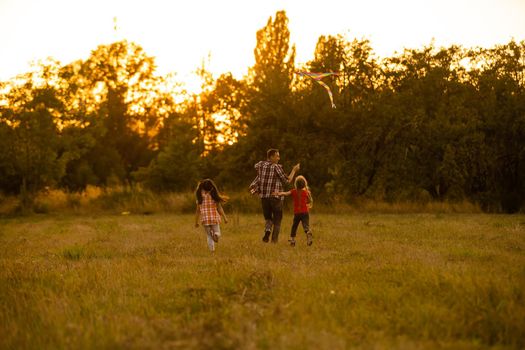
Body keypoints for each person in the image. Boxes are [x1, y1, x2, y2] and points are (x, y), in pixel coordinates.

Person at [249, 149, 300, 243]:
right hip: (276, 197)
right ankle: (274, 241)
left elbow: (255, 166)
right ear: (271, 157)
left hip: (264, 198)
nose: (279, 158)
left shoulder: (260, 164)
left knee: (268, 218)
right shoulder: (276, 167)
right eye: (277, 156)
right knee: (277, 220)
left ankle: (267, 230)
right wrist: (294, 170)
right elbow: (287, 181)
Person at [274, 175, 313, 246]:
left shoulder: (293, 191)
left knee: (294, 226)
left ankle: (292, 240)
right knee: (305, 226)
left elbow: (286, 193)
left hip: (297, 213)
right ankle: (308, 232)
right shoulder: (306, 192)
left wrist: (279, 193)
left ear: (296, 184)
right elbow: (309, 201)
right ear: (304, 184)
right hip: (305, 212)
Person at [194, 179, 228, 252]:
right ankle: (216, 234)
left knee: (209, 236)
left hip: (205, 219)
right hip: (214, 218)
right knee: (218, 233)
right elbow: (219, 208)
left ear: (202, 187)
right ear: (212, 187)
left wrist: (196, 222)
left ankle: (212, 251)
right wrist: (225, 218)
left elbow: (197, 211)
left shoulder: (200, 197)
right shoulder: (214, 196)